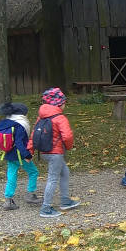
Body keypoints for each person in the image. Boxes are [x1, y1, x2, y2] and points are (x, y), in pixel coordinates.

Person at [29, 87, 79, 218]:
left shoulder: (41, 117)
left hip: (44, 152)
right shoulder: (60, 118)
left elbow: (34, 135)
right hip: (56, 153)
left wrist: (30, 150)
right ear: (58, 103)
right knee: (52, 179)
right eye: (63, 102)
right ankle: (46, 208)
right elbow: (67, 136)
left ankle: (65, 200)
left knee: (65, 172)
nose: (64, 104)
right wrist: (68, 147)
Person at [0, 102, 41, 210]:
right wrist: (27, 155)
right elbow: (19, 142)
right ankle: (31, 194)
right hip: (20, 155)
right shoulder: (20, 124)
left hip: (9, 153)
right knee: (33, 172)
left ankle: (8, 200)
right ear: (22, 114)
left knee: (11, 176)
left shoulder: (6, 122)